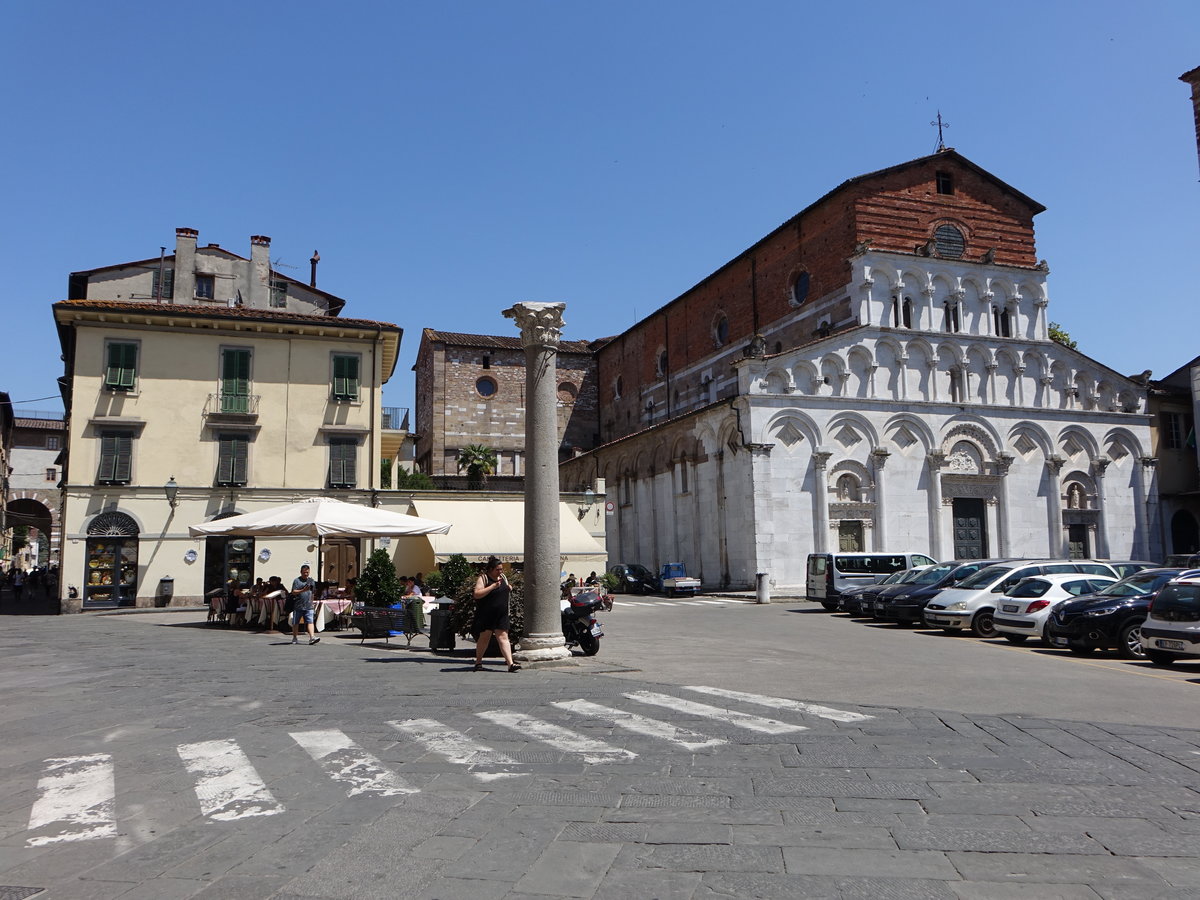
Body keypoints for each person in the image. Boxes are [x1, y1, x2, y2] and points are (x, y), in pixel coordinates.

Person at [472, 556, 519, 672]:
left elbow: (504, 590)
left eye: (501, 569)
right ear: (491, 569)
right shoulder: (484, 578)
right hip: (486, 614)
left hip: (501, 614)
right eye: (498, 569)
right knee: (484, 638)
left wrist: (508, 588)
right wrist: (492, 587)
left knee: (504, 637)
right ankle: (478, 662)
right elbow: (477, 594)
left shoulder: (502, 577)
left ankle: (510, 664)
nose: (500, 571)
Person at [290, 564, 320, 645]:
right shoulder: (297, 581)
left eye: (307, 572)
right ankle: (295, 637)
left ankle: (312, 637)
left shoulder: (311, 581)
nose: (306, 574)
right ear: (301, 572)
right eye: (304, 572)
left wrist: (312, 601)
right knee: (296, 622)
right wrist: (303, 590)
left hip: (308, 606)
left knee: (310, 621)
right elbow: (293, 591)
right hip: (298, 605)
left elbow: (313, 592)